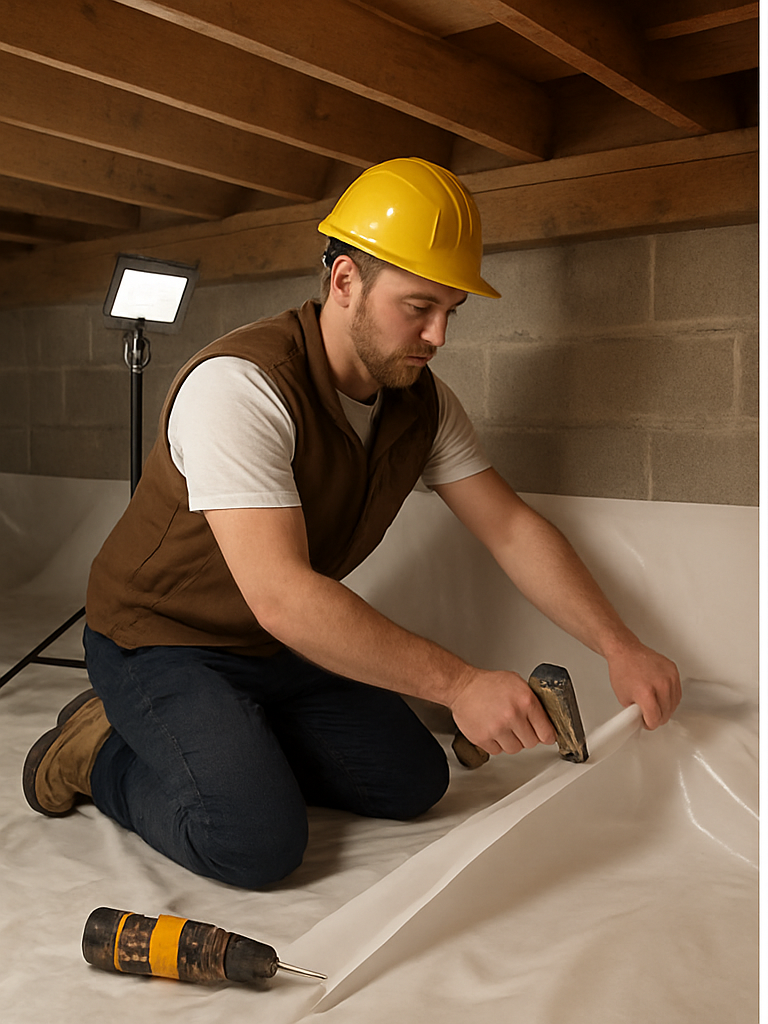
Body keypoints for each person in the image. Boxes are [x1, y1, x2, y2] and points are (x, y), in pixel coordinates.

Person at [23, 157, 681, 889]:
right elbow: (282, 596)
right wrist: (459, 683)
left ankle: (232, 741)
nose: (437, 336)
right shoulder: (240, 387)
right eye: (417, 306)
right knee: (252, 842)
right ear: (344, 281)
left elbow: (511, 529)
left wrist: (620, 645)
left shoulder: (421, 403)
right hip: (162, 641)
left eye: (451, 312)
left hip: (274, 649)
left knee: (411, 781)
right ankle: (96, 752)